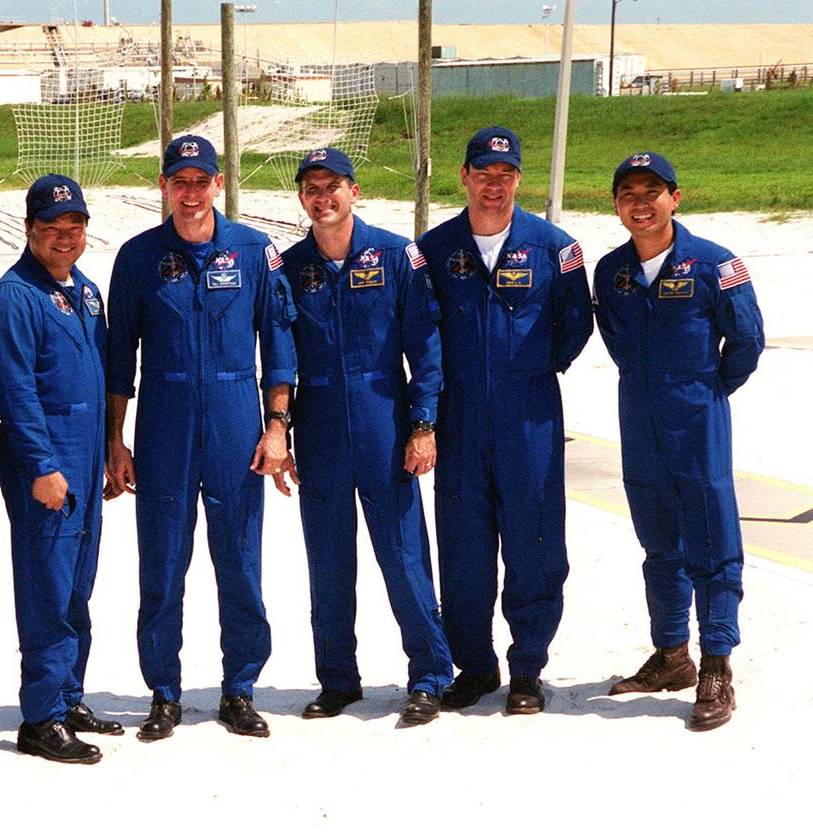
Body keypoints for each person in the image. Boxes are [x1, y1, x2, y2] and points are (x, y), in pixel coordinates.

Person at [105, 135, 297, 740]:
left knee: (240, 557)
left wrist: (276, 427)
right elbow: (119, 361)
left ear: (219, 183)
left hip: (236, 418)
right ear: (164, 186)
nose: (190, 193)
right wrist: (116, 439)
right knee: (162, 561)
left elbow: (280, 343)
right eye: (179, 181)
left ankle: (239, 688)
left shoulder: (254, 250)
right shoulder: (137, 257)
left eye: (201, 181)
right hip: (163, 417)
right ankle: (164, 692)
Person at [274, 148, 453, 725]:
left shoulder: (399, 254)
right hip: (320, 420)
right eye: (311, 189)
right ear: (302, 198)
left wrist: (423, 425)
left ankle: (428, 675)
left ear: (355, 192)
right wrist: (279, 426)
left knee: (403, 554)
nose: (322, 198)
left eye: (333, 187)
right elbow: (277, 353)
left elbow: (425, 348)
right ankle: (338, 680)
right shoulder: (290, 266)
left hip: (383, 416)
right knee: (327, 561)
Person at [418, 127, 592, 714]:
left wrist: (536, 370)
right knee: (463, 547)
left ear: (519, 178)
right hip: (459, 416)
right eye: (483, 173)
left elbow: (576, 324)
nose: (494, 185)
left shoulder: (556, 247)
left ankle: (527, 670)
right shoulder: (433, 249)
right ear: (463, 176)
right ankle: (475, 665)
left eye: (506, 175)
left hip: (530, 415)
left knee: (535, 542)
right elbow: (422, 334)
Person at [593, 153, 764, 731]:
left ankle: (717, 662)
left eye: (652, 191)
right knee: (658, 543)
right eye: (627, 194)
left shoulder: (717, 265)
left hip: (697, 420)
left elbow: (746, 343)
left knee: (712, 543)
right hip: (638, 420)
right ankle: (671, 656)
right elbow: (616, 340)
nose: (640, 203)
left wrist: (704, 391)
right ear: (616, 205)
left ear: (675, 197)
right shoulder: (611, 273)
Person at [0, 175, 120, 765]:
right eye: (50, 228)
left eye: (75, 227)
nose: (64, 238)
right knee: (47, 585)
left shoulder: (85, 290)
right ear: (30, 229)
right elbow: (14, 393)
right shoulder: (14, 297)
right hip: (48, 459)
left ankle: (67, 695)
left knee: (77, 582)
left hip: (88, 454)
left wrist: (114, 447)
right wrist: (42, 464)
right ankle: (41, 718)